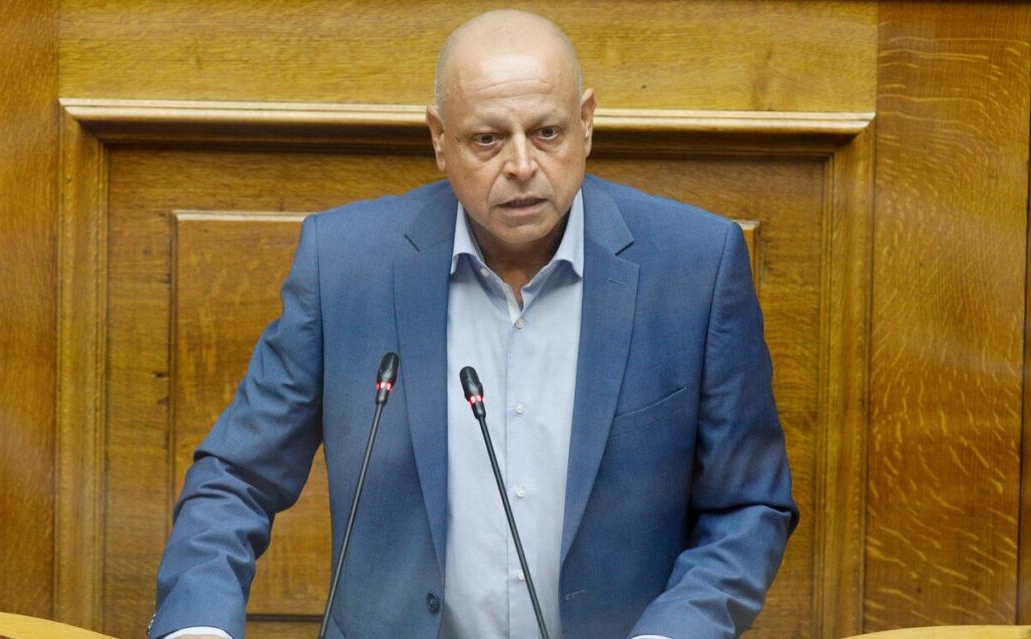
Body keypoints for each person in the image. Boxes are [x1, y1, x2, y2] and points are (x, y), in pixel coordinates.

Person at [149, 9, 797, 639]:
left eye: (547, 133)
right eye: (487, 139)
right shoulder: (345, 265)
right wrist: (198, 622)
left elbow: (748, 506)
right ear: (439, 138)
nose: (521, 165)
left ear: (586, 123)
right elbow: (236, 477)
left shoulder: (694, 266)